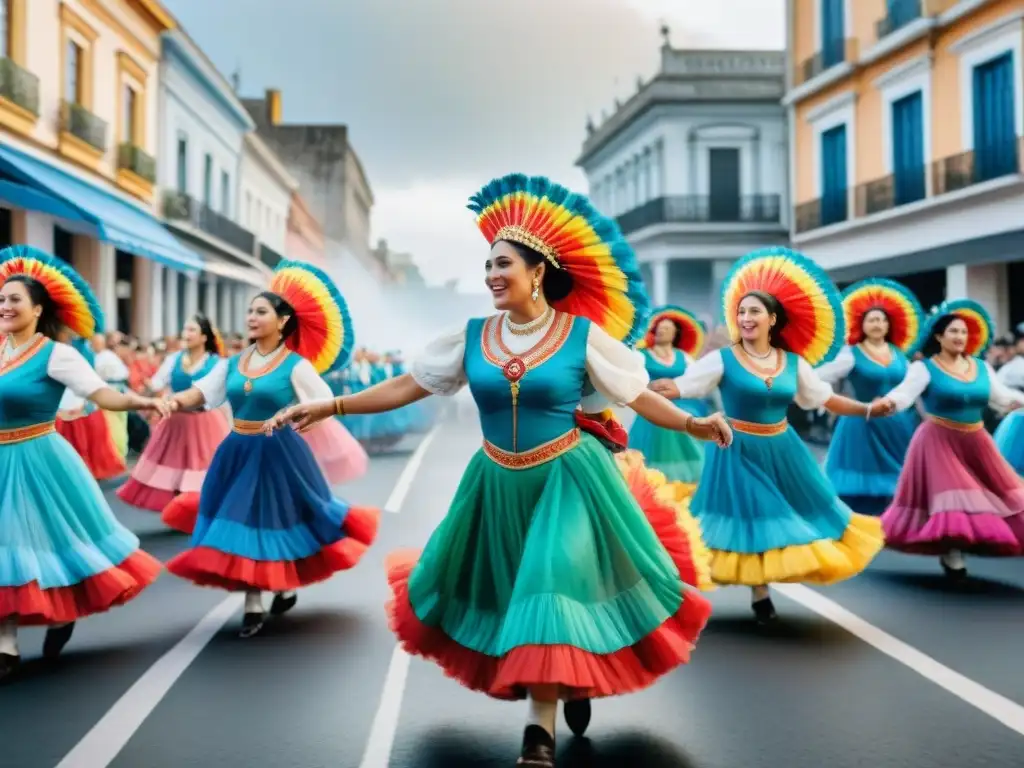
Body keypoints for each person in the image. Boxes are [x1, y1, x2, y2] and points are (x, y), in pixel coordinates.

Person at [267, 173, 730, 767]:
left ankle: (539, 730)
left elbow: (637, 396)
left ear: (538, 272)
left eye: (502, 264)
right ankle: (567, 681)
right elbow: (408, 387)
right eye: (487, 267)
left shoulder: (581, 337)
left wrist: (694, 424)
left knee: (552, 582)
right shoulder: (469, 338)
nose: (491, 277)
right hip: (496, 483)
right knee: (512, 591)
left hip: (569, 479)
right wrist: (330, 404)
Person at [651, 247, 886, 624]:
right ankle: (759, 593)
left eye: (754, 311)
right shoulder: (722, 359)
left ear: (772, 319)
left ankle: (760, 588)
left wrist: (867, 409)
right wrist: (650, 389)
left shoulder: (793, 363)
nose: (745, 317)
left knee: (783, 515)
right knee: (744, 514)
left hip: (783, 448)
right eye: (741, 312)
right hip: (735, 447)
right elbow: (685, 385)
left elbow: (821, 398)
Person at [162, 260, 379, 637]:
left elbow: (323, 401)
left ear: (282, 321)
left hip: (280, 453)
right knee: (242, 520)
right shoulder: (233, 363)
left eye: (260, 311)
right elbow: (205, 392)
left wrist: (293, 416)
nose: (251, 316)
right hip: (237, 450)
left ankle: (279, 585)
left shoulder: (295, 365)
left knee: (277, 519)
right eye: (250, 311)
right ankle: (253, 602)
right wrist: (174, 402)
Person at [0, 246, 167, 682]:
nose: (5, 305)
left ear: (38, 309)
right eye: (1, 298)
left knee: (38, 543)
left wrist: (141, 401)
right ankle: (7, 643)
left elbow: (102, 394)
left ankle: (58, 615)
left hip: (39, 458)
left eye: (15, 299)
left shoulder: (56, 355)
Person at [874, 300, 1024, 577]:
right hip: (938, 440)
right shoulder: (924, 369)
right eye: (953, 332)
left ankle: (961, 545)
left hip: (976, 441)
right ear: (940, 337)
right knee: (952, 494)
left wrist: (1020, 402)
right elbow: (904, 395)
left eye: (964, 333)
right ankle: (952, 551)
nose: (959, 337)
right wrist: (886, 404)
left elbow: (1002, 397)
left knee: (999, 494)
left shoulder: (981, 368)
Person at [814, 278, 924, 514]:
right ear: (861, 324)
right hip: (860, 423)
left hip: (897, 425)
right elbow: (818, 376)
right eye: (872, 319)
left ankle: (890, 526)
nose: (877, 324)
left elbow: (911, 388)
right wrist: (831, 400)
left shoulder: (901, 356)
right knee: (858, 485)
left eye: (882, 320)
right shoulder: (850, 354)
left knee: (897, 483)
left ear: (889, 325)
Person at [116, 314, 229, 520]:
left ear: (204, 337)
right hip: (175, 422)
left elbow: (222, 394)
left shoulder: (217, 363)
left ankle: (202, 511)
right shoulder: (173, 359)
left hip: (204, 423)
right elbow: (157, 384)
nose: (186, 334)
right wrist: (139, 396)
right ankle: (182, 512)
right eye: (185, 329)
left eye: (192, 330)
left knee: (203, 470)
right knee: (177, 473)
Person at [629, 305, 709, 485]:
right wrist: (647, 387)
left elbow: (695, 380)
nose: (662, 331)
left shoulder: (684, 357)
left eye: (667, 328)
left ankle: (683, 484)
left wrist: (678, 387)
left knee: (689, 434)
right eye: (659, 328)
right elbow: (632, 378)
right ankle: (654, 483)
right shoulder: (641, 355)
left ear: (675, 334)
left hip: (681, 406)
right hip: (650, 408)